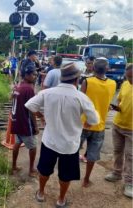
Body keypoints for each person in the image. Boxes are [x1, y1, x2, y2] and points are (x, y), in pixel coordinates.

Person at [25, 63, 99, 208]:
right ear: (77, 80)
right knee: (65, 175)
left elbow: (29, 105)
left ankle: (40, 193)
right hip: (69, 145)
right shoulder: (81, 98)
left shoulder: (47, 93)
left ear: (61, 78)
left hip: (50, 141)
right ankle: (61, 200)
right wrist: (87, 123)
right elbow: (94, 120)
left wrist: (41, 116)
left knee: (44, 170)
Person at [80, 58, 117, 188]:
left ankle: (69, 174)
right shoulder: (113, 84)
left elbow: (79, 101)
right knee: (92, 155)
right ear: (107, 69)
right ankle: (86, 180)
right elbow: (106, 103)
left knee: (73, 150)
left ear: (93, 68)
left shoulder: (87, 82)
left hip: (83, 123)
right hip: (99, 125)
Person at [105, 64, 133, 198]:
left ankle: (130, 183)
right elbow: (121, 102)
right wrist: (116, 108)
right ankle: (116, 173)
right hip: (118, 124)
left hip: (132, 129)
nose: (130, 80)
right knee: (117, 151)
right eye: (128, 77)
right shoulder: (125, 84)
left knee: (130, 156)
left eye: (132, 77)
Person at [11, 64, 39, 177]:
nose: (35, 76)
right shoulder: (29, 89)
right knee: (33, 146)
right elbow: (32, 110)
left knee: (17, 143)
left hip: (16, 121)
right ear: (27, 75)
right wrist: (36, 126)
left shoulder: (18, 86)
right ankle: (31, 169)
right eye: (33, 74)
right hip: (25, 122)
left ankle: (13, 167)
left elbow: (12, 98)